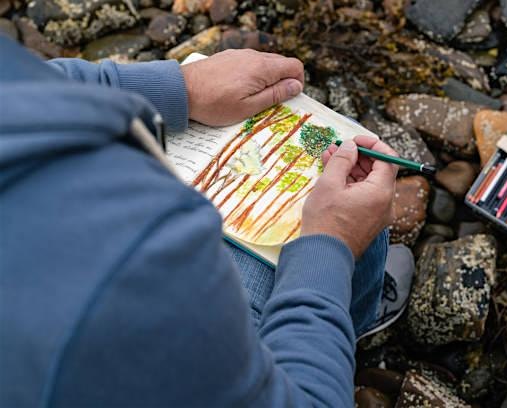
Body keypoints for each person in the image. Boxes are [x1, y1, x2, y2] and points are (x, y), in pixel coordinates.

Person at [0, 34, 405, 407]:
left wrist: (184, 88)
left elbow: (27, 94)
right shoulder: (123, 297)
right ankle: (331, 332)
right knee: (343, 210)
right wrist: (330, 247)